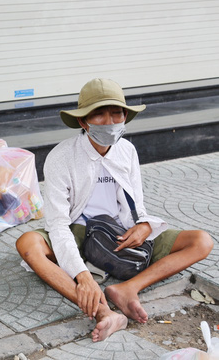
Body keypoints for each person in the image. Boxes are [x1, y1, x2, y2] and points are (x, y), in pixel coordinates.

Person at [16, 78, 213, 342]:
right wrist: (81, 275)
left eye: (116, 113)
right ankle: (103, 312)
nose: (109, 121)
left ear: (124, 117)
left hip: (119, 232)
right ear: (83, 121)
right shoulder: (61, 157)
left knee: (202, 241)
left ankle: (127, 289)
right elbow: (59, 223)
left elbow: (136, 206)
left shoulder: (127, 150)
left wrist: (144, 225)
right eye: (99, 113)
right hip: (79, 229)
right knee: (28, 243)